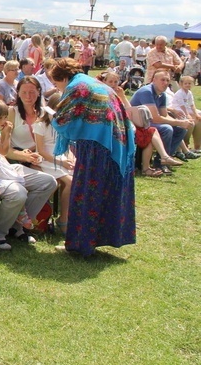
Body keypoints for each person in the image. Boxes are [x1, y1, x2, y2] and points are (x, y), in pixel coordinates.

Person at [50, 57, 136, 256]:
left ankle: (80, 243)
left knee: (86, 193)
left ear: (63, 78)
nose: (59, 89)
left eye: (57, 84)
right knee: (105, 193)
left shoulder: (76, 87)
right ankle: (100, 238)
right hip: (116, 145)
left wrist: (51, 116)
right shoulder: (93, 83)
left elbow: (62, 118)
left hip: (97, 148)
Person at [0, 99, 56, 250]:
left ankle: (16, 225)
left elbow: (1, 153)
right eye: (0, 118)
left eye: (5, 117)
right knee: (19, 193)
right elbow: (3, 150)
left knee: (49, 182)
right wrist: (8, 134)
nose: (4, 121)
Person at [130, 69, 192, 170]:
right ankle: (160, 163)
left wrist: (181, 123)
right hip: (138, 124)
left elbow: (164, 115)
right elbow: (156, 118)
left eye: (167, 80)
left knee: (181, 130)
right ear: (154, 80)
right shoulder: (146, 92)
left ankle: (166, 158)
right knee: (167, 129)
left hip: (149, 122)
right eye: (162, 80)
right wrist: (178, 122)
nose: (166, 83)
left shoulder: (162, 94)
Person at [32, 93, 74, 233]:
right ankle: (63, 220)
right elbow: (41, 151)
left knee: (74, 180)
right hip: (47, 160)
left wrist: (71, 158)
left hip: (60, 158)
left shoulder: (64, 125)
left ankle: (67, 216)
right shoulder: (40, 125)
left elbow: (66, 146)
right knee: (69, 182)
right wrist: (61, 163)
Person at [8, 76, 43, 153]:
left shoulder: (45, 113)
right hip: (21, 157)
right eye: (24, 92)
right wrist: (23, 156)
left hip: (43, 156)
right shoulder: (12, 112)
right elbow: (4, 146)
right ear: (18, 93)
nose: (28, 96)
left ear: (38, 92)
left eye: (32, 92)